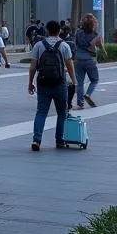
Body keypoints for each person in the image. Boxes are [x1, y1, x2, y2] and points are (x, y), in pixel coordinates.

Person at [28, 20, 77, 151]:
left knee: (41, 112)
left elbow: (33, 67)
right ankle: (59, 140)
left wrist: (30, 83)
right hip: (60, 82)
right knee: (62, 112)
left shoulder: (39, 45)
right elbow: (70, 65)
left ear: (47, 30)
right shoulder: (64, 46)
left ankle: (36, 140)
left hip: (43, 82)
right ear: (59, 31)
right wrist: (74, 81)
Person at [72, 13, 106, 108]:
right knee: (94, 80)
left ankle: (80, 102)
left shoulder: (78, 33)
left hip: (78, 59)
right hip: (90, 59)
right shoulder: (96, 35)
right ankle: (88, 94)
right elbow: (101, 47)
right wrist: (104, 51)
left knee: (80, 82)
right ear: (94, 25)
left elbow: (75, 45)